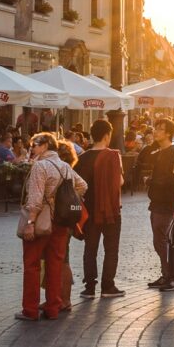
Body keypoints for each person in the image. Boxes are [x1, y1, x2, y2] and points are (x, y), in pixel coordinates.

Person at [17, 131, 84, 321]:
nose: (32, 149)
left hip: (41, 221)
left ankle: (30, 310)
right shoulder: (65, 166)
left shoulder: (41, 166)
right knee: (55, 264)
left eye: (35, 145)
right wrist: (61, 200)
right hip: (60, 222)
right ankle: (53, 308)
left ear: (45, 145)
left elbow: (35, 199)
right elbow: (83, 186)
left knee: (32, 264)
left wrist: (30, 222)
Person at [76, 119, 124, 297]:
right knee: (111, 249)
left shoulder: (82, 158)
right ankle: (107, 286)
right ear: (106, 135)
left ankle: (89, 287)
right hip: (111, 210)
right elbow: (120, 182)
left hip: (90, 210)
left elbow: (77, 185)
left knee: (90, 249)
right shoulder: (113, 155)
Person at [144, 120, 174, 291]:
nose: (156, 132)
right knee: (158, 241)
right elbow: (143, 159)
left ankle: (172, 277)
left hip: (166, 203)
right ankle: (166, 273)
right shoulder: (160, 151)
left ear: (168, 133)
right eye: (156, 128)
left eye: (160, 130)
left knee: (165, 241)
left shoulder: (173, 152)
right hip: (156, 202)